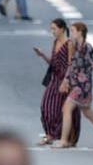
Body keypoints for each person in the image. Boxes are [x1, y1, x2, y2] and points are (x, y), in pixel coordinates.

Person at [56, 22, 93, 150]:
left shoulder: (87, 48)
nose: (71, 33)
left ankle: (63, 140)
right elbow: (72, 66)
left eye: (72, 31)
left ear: (80, 32)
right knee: (89, 113)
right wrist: (66, 80)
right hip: (76, 85)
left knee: (66, 108)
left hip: (83, 87)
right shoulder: (73, 46)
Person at [33, 18, 77, 146]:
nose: (52, 31)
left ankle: (59, 136)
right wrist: (42, 55)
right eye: (51, 29)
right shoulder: (55, 42)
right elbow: (53, 64)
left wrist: (67, 81)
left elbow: (71, 64)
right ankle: (49, 134)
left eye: (54, 28)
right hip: (55, 79)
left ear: (62, 29)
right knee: (45, 106)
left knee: (60, 110)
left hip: (65, 81)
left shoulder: (69, 43)